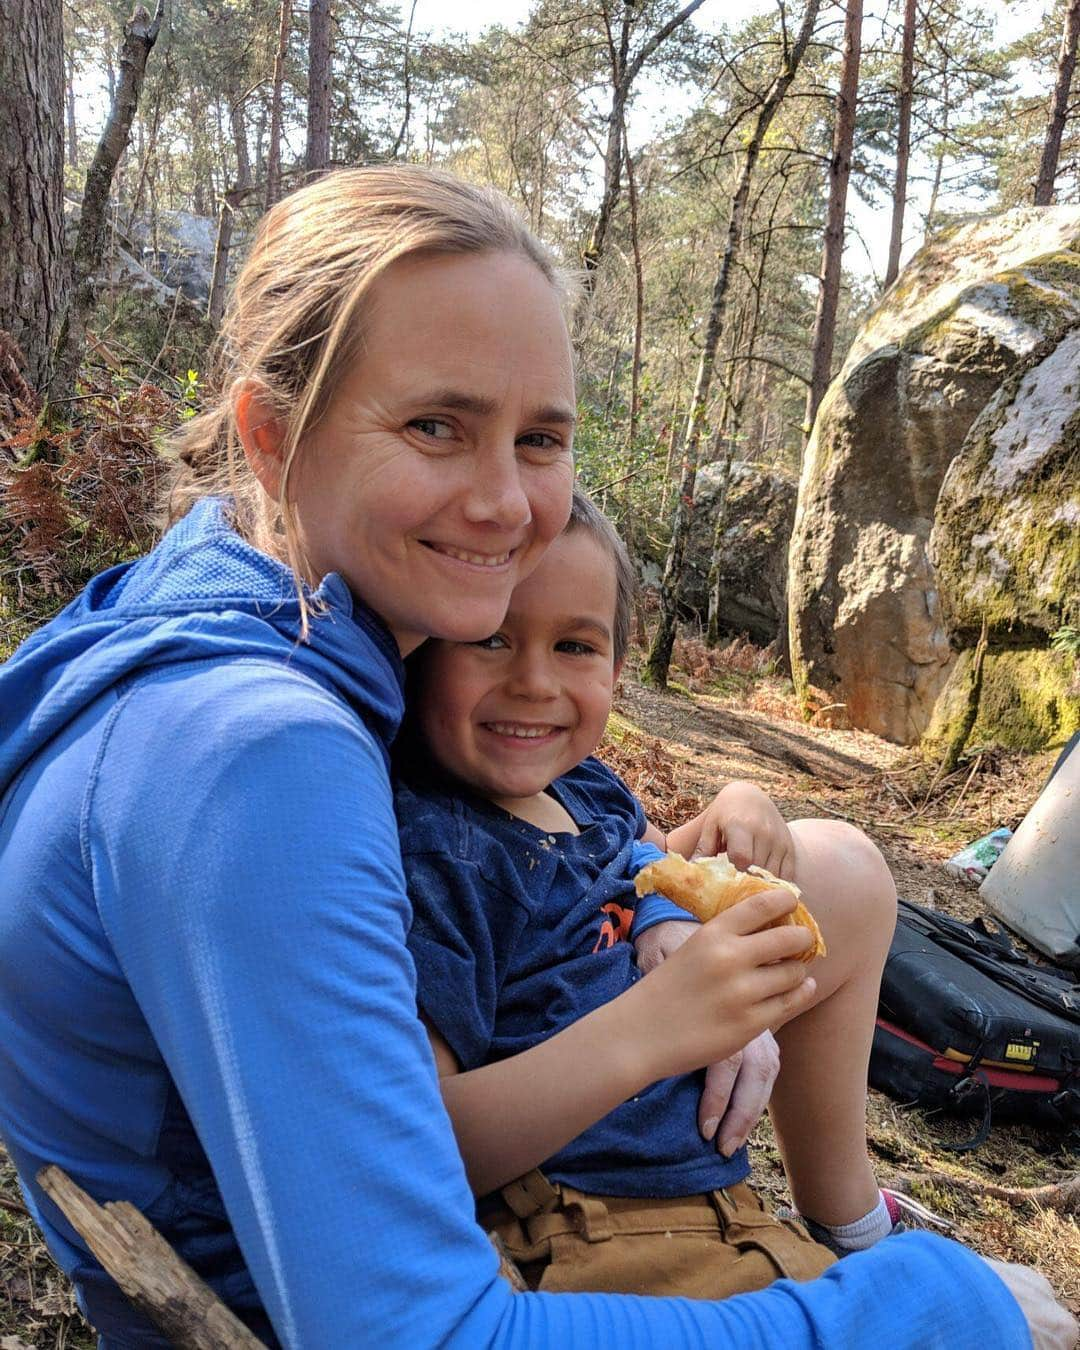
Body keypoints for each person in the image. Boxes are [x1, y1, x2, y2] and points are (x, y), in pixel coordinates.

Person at [0, 166, 1072, 1350]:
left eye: (543, 438)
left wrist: (669, 901)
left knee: (835, 863)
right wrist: (926, 1313)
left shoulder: (184, 626)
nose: (509, 504)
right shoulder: (257, 754)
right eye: (435, 426)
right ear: (270, 434)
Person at [392, 492, 909, 1290]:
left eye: (573, 646)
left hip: (728, 1211)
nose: (533, 682)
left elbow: (649, 862)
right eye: (490, 638)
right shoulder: (442, 855)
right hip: (594, 1233)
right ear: (420, 648)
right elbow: (419, 1147)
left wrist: (738, 802)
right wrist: (656, 1026)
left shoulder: (586, 790)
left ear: (617, 669)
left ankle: (850, 1223)